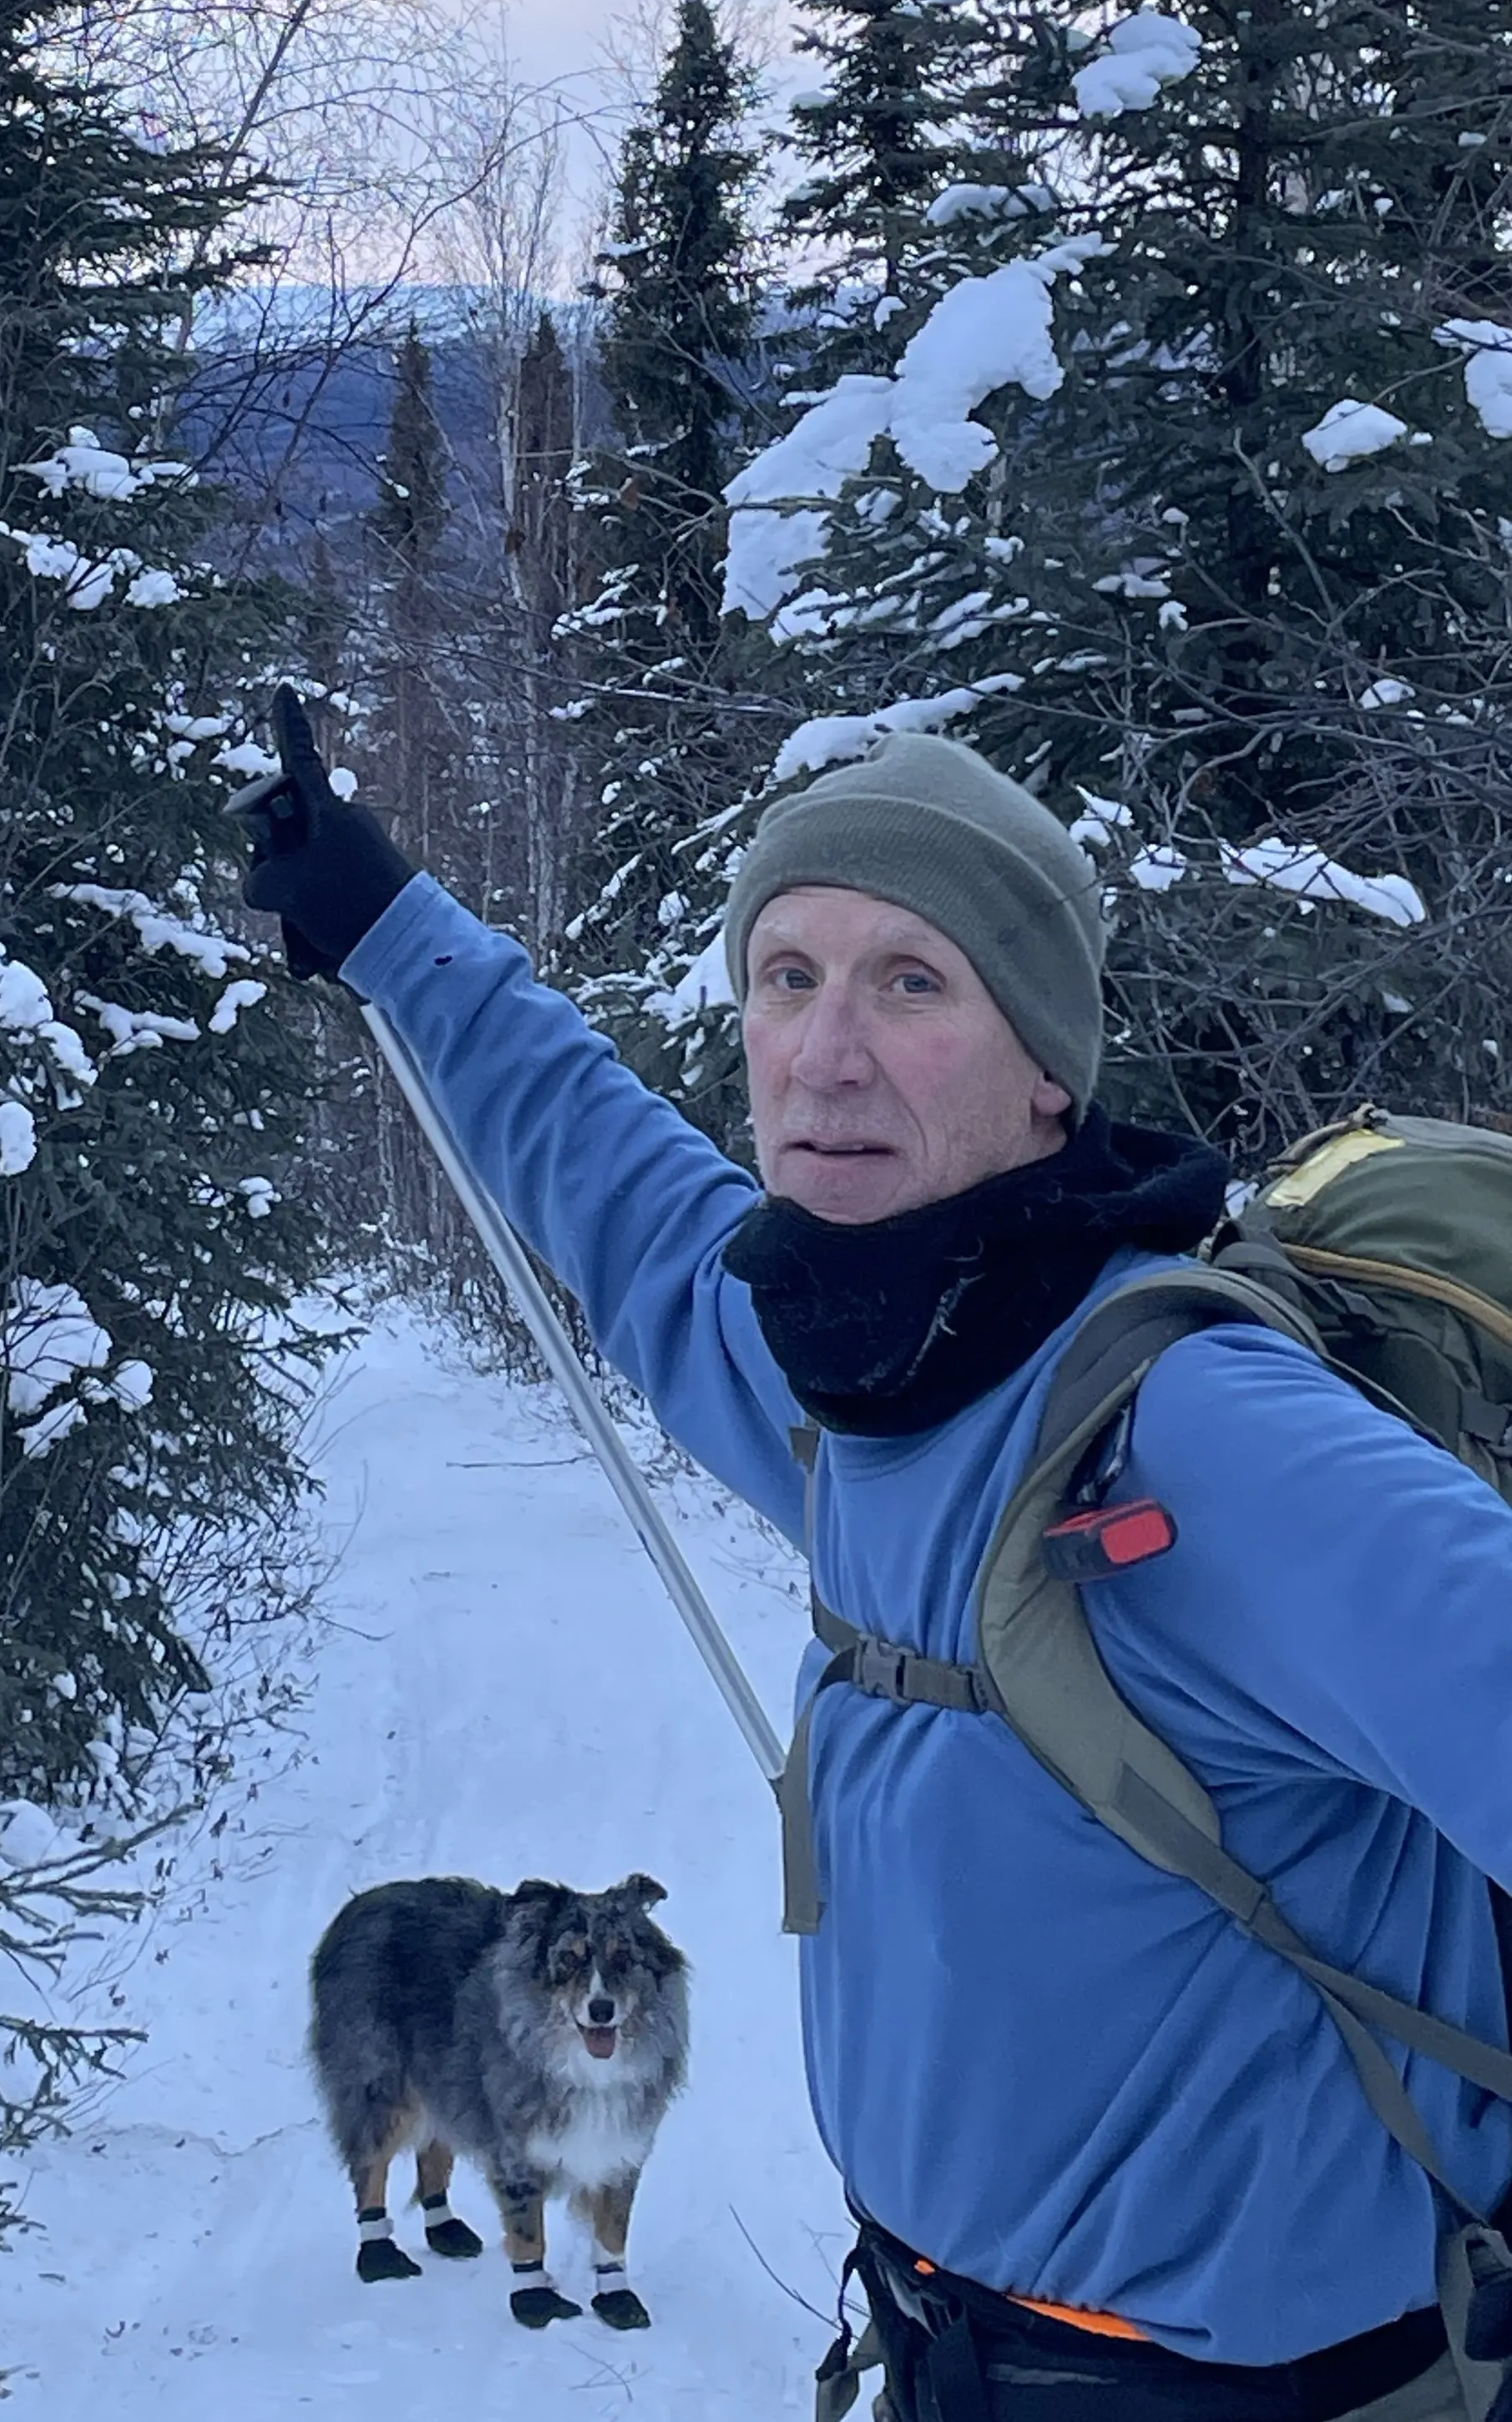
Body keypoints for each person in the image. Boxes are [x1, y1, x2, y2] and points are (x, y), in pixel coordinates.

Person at [242, 692, 1512, 2422]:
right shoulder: (869, 1364)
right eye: (788, 977)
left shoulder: (1208, 1439)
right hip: (949, 2353)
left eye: (910, 983)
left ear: (1045, 1061)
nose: (824, 1053)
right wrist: (390, 925)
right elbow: (619, 1194)